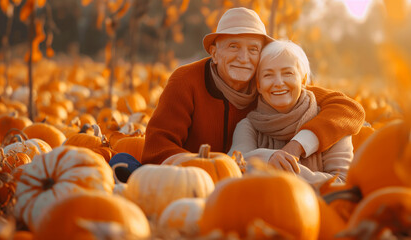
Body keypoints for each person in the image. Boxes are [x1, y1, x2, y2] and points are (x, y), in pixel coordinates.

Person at [141, 7, 364, 165]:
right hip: (191, 181)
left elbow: (349, 109)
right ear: (215, 53)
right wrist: (204, 169)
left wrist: (296, 146)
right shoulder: (186, 81)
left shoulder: (268, 85)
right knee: (126, 164)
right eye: (234, 46)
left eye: (253, 49)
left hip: (245, 181)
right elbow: (156, 148)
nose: (243, 58)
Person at [228, 40, 353, 183]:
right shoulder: (248, 126)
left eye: (288, 73)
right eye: (268, 75)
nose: (279, 82)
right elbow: (234, 164)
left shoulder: (330, 122)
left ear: (304, 80)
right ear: (259, 85)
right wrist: (268, 159)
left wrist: (285, 172)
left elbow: (343, 183)